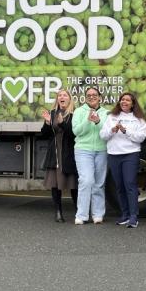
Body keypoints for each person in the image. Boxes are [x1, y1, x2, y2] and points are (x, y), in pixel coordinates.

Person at [100, 92, 146, 229]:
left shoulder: (138, 119)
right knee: (119, 186)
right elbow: (103, 135)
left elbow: (141, 137)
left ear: (133, 104)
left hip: (130, 154)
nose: (124, 102)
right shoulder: (111, 117)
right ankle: (125, 215)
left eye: (127, 100)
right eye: (122, 100)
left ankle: (134, 216)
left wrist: (125, 131)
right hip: (114, 154)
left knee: (130, 184)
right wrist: (112, 130)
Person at [40, 89, 78, 223]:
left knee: (73, 184)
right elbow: (45, 134)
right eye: (59, 96)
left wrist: (62, 123)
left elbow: (74, 134)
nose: (62, 97)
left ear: (69, 99)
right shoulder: (52, 113)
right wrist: (47, 123)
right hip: (55, 152)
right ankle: (58, 212)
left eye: (65, 95)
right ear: (57, 100)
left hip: (68, 151)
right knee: (55, 185)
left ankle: (78, 212)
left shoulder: (75, 114)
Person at [72, 87, 109, 225]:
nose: (92, 97)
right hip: (83, 149)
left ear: (100, 97)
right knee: (86, 180)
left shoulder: (106, 112)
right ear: (85, 97)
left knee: (99, 183)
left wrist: (98, 121)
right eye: (89, 95)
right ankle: (81, 215)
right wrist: (88, 121)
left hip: (101, 150)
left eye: (94, 95)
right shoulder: (79, 111)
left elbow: (107, 131)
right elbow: (76, 131)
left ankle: (98, 214)